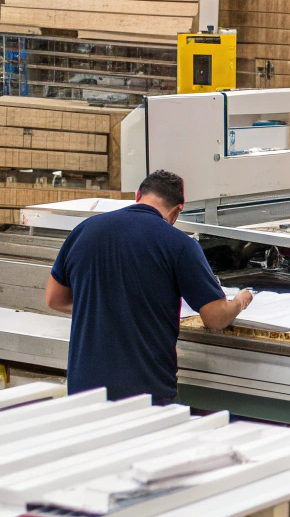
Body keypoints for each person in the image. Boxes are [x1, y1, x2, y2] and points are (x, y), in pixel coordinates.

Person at [45, 169, 253, 404]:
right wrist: (239, 301)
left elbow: (54, 298)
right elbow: (215, 318)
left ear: (138, 195)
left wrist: (103, 309)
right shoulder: (180, 245)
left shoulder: (85, 230)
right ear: (176, 212)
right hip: (144, 394)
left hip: (84, 390)